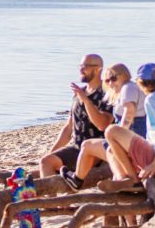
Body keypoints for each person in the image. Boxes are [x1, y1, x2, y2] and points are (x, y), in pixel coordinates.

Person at [58, 61, 147, 188]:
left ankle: (77, 180)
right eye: (107, 80)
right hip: (135, 139)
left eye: (113, 78)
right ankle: (123, 179)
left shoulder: (128, 87)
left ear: (124, 75)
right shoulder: (127, 89)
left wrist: (120, 133)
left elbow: (130, 110)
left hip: (132, 138)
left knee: (88, 145)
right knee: (108, 150)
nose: (111, 83)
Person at [104, 62, 155, 183]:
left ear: (140, 82)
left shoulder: (152, 99)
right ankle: (122, 179)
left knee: (111, 131)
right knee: (111, 151)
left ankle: (132, 180)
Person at [39, 54, 113, 182]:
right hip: (75, 147)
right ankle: (55, 199)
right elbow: (69, 128)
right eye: (81, 66)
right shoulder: (80, 92)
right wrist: (52, 151)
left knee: (46, 163)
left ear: (98, 69)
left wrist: (85, 100)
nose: (81, 69)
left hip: (95, 149)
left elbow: (103, 124)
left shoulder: (107, 93)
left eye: (86, 66)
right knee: (46, 162)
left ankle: (53, 200)